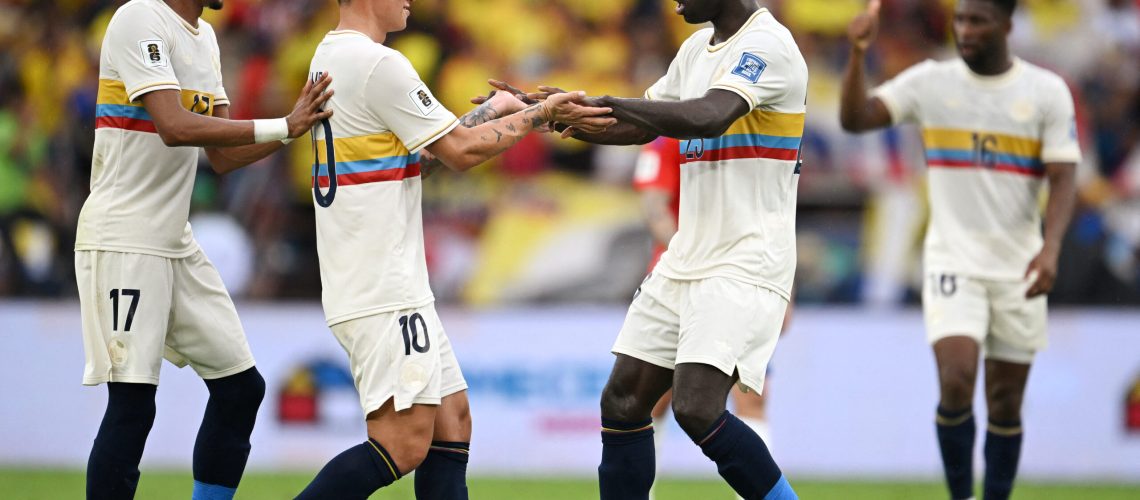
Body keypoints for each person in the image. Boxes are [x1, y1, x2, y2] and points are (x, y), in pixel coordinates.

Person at [293, 1, 615, 499]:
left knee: (453, 422)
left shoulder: (331, 56)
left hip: (377, 278)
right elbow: (462, 151)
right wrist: (541, 113)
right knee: (401, 444)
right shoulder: (379, 63)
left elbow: (419, 156)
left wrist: (495, 110)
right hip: (383, 286)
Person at [504, 0, 806, 497]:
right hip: (685, 257)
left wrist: (607, 101)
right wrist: (550, 117)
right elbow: (641, 127)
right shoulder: (695, 49)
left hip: (743, 260)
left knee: (696, 407)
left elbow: (708, 115)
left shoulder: (767, 45)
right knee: (623, 401)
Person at [76, 0, 334, 499]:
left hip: (174, 239)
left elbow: (222, 155)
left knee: (241, 389)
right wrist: (283, 124)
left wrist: (292, 131)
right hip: (124, 238)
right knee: (132, 406)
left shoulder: (206, 37)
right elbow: (174, 127)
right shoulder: (139, 18)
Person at [839, 1, 1080, 499]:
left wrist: (1051, 249)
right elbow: (857, 118)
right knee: (956, 378)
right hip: (951, 260)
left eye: (977, 21)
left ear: (1007, 25)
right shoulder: (932, 82)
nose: (964, 30)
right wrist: (858, 55)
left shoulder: (1046, 92)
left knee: (1005, 401)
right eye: (960, 19)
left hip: (1019, 266)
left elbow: (1064, 177)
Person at [632, 137, 785, 499]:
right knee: (651, 401)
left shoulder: (744, 131)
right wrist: (695, 257)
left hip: (741, 279)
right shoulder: (666, 139)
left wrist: (783, 283)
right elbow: (654, 207)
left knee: (750, 395)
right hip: (677, 283)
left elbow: (771, 210)